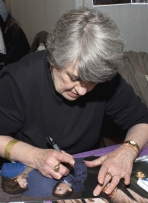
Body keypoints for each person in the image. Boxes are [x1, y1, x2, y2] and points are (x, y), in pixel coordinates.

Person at [0, 7, 148, 197]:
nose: (82, 90)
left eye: (92, 81)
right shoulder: (18, 80)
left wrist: (129, 149)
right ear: (53, 58)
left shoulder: (105, 81)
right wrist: (35, 156)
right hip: (29, 169)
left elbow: (142, 120)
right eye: (73, 77)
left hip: (82, 172)